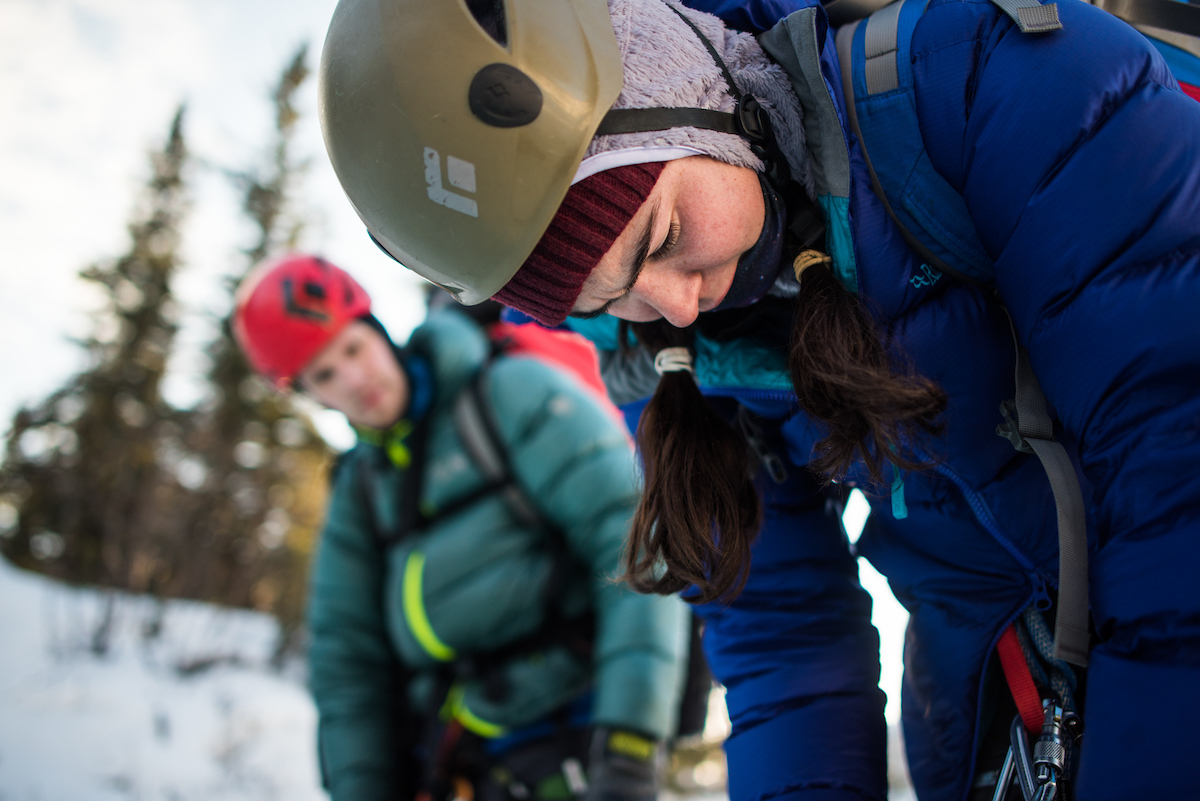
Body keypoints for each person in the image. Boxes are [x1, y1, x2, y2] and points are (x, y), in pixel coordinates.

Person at [317, 0, 1200, 799]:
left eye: (662, 234)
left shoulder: (977, 77)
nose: (676, 306)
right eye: (612, 298)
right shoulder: (667, 360)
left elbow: (1175, 451)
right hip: (987, 712)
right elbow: (784, 641)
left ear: (690, 91)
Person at [231, 254, 691, 801]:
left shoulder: (510, 394)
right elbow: (346, 660)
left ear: (377, 330)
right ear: (311, 396)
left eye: (352, 349)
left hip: (573, 722)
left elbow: (631, 541)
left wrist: (630, 747)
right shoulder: (360, 491)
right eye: (325, 375)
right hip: (455, 752)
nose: (354, 380)